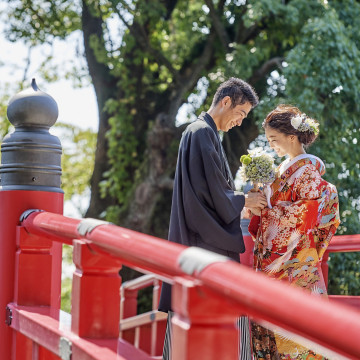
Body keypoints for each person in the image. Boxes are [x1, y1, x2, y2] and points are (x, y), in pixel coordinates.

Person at [158, 77, 268, 359]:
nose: (240, 122)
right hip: (204, 245)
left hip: (198, 239)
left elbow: (212, 192)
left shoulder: (202, 132)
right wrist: (244, 200)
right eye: (240, 113)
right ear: (226, 101)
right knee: (231, 309)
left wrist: (239, 202)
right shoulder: (202, 133)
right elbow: (211, 194)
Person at [247, 105, 340, 360]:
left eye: (274, 139)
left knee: (296, 341)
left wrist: (267, 211)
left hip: (294, 266)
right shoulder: (280, 172)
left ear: (292, 137)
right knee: (275, 335)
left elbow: (304, 217)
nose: (271, 145)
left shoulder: (308, 172)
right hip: (275, 263)